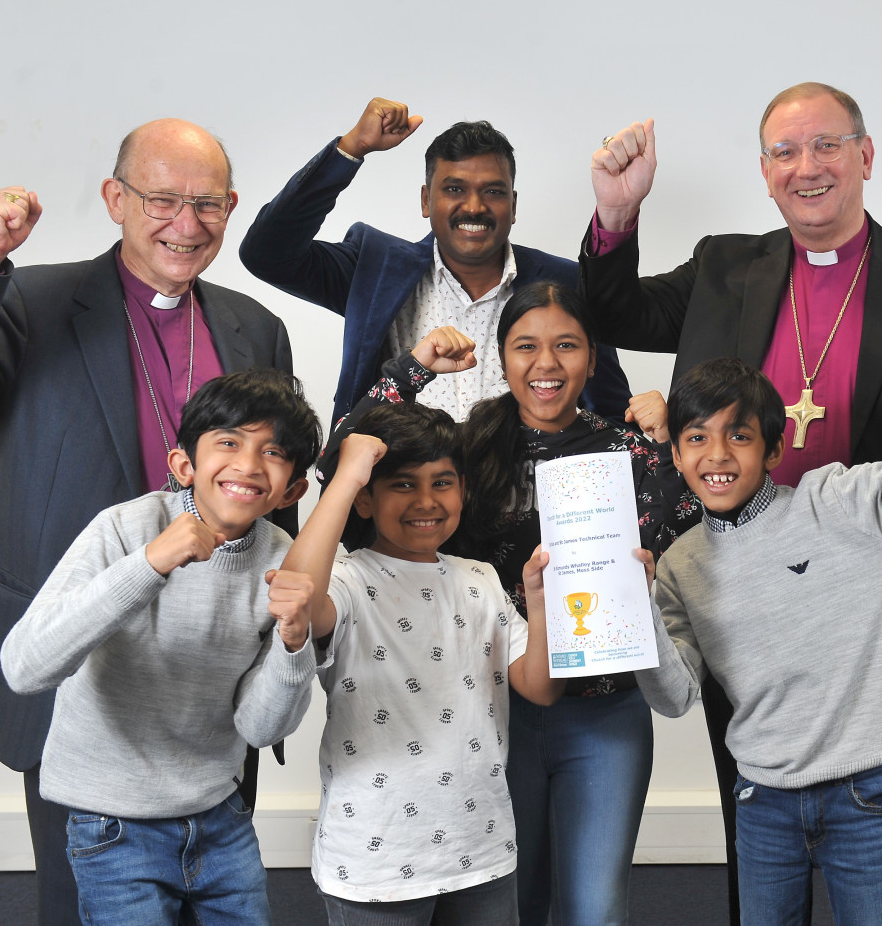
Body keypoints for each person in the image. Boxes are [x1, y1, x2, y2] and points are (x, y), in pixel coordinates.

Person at [581, 81, 882, 919]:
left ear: (866, 156)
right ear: (765, 173)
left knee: (874, 836)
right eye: (784, 152)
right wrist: (615, 217)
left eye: (827, 145)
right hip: (741, 592)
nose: (807, 167)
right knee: (757, 836)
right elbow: (612, 309)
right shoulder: (726, 265)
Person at [0, 118, 295, 925]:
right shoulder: (31, 300)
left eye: (207, 204)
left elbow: (269, 482)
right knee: (84, 904)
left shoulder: (254, 326)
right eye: (162, 199)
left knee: (214, 894)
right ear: (115, 199)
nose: (186, 223)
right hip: (83, 665)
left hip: (212, 667)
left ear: (232, 207)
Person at [328, 284, 700, 926]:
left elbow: (694, 505)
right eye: (526, 346)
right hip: (493, 710)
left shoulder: (629, 448)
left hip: (605, 713)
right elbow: (343, 457)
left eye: (567, 345)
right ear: (502, 355)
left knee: (596, 908)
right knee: (511, 904)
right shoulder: (471, 446)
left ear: (592, 356)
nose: (546, 364)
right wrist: (411, 369)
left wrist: (673, 441)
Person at [637, 289, 882, 926]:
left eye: (739, 436)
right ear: (678, 454)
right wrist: (633, 615)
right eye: (697, 438)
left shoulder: (839, 504)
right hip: (761, 798)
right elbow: (673, 696)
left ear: (772, 450)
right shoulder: (678, 563)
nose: (717, 455)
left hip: (864, 793)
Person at [0, 369, 321, 923]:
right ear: (184, 466)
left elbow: (261, 729)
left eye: (273, 452)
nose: (247, 464)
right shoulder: (126, 529)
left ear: (291, 489)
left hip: (221, 817)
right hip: (113, 822)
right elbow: (25, 669)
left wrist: (295, 646)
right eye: (228, 442)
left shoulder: (280, 559)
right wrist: (148, 565)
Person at [282, 394, 563, 923]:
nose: (426, 500)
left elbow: (541, 688)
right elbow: (296, 592)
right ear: (365, 499)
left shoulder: (479, 579)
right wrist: (345, 476)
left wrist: (543, 607)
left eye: (442, 482)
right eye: (402, 484)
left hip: (480, 846)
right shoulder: (346, 580)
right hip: (375, 855)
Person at [239, 95, 630, 425]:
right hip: (404, 505)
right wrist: (351, 148)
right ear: (426, 200)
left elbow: (609, 411)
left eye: (493, 192)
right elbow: (267, 254)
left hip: (534, 510)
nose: (474, 207)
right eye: (454, 189)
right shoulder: (375, 270)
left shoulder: (567, 283)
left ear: (513, 206)